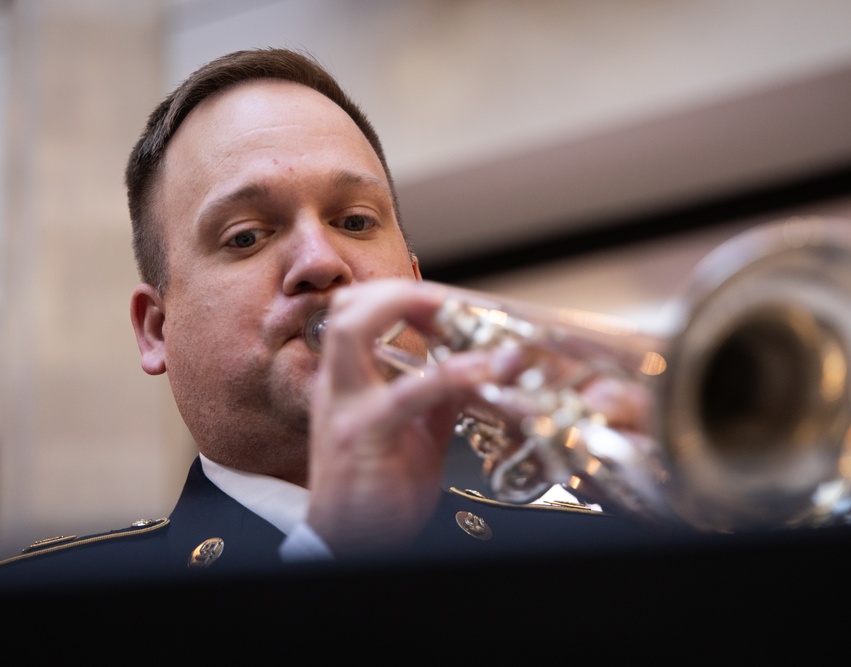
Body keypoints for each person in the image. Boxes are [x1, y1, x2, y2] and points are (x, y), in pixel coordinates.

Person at [0, 48, 658, 585]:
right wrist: (334, 555)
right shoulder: (41, 609)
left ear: (415, 284)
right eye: (247, 235)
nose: (320, 261)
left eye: (354, 221)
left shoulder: (608, 555)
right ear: (155, 329)